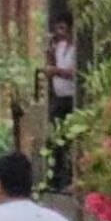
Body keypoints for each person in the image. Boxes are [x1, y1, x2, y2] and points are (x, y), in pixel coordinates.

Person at [46, 13, 77, 191]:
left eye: (63, 29)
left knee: (69, 138)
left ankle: (68, 177)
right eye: (58, 29)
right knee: (55, 138)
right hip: (59, 97)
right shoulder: (60, 46)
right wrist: (50, 56)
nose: (60, 33)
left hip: (71, 98)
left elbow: (74, 72)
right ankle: (56, 178)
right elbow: (51, 66)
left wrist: (56, 71)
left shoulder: (75, 49)